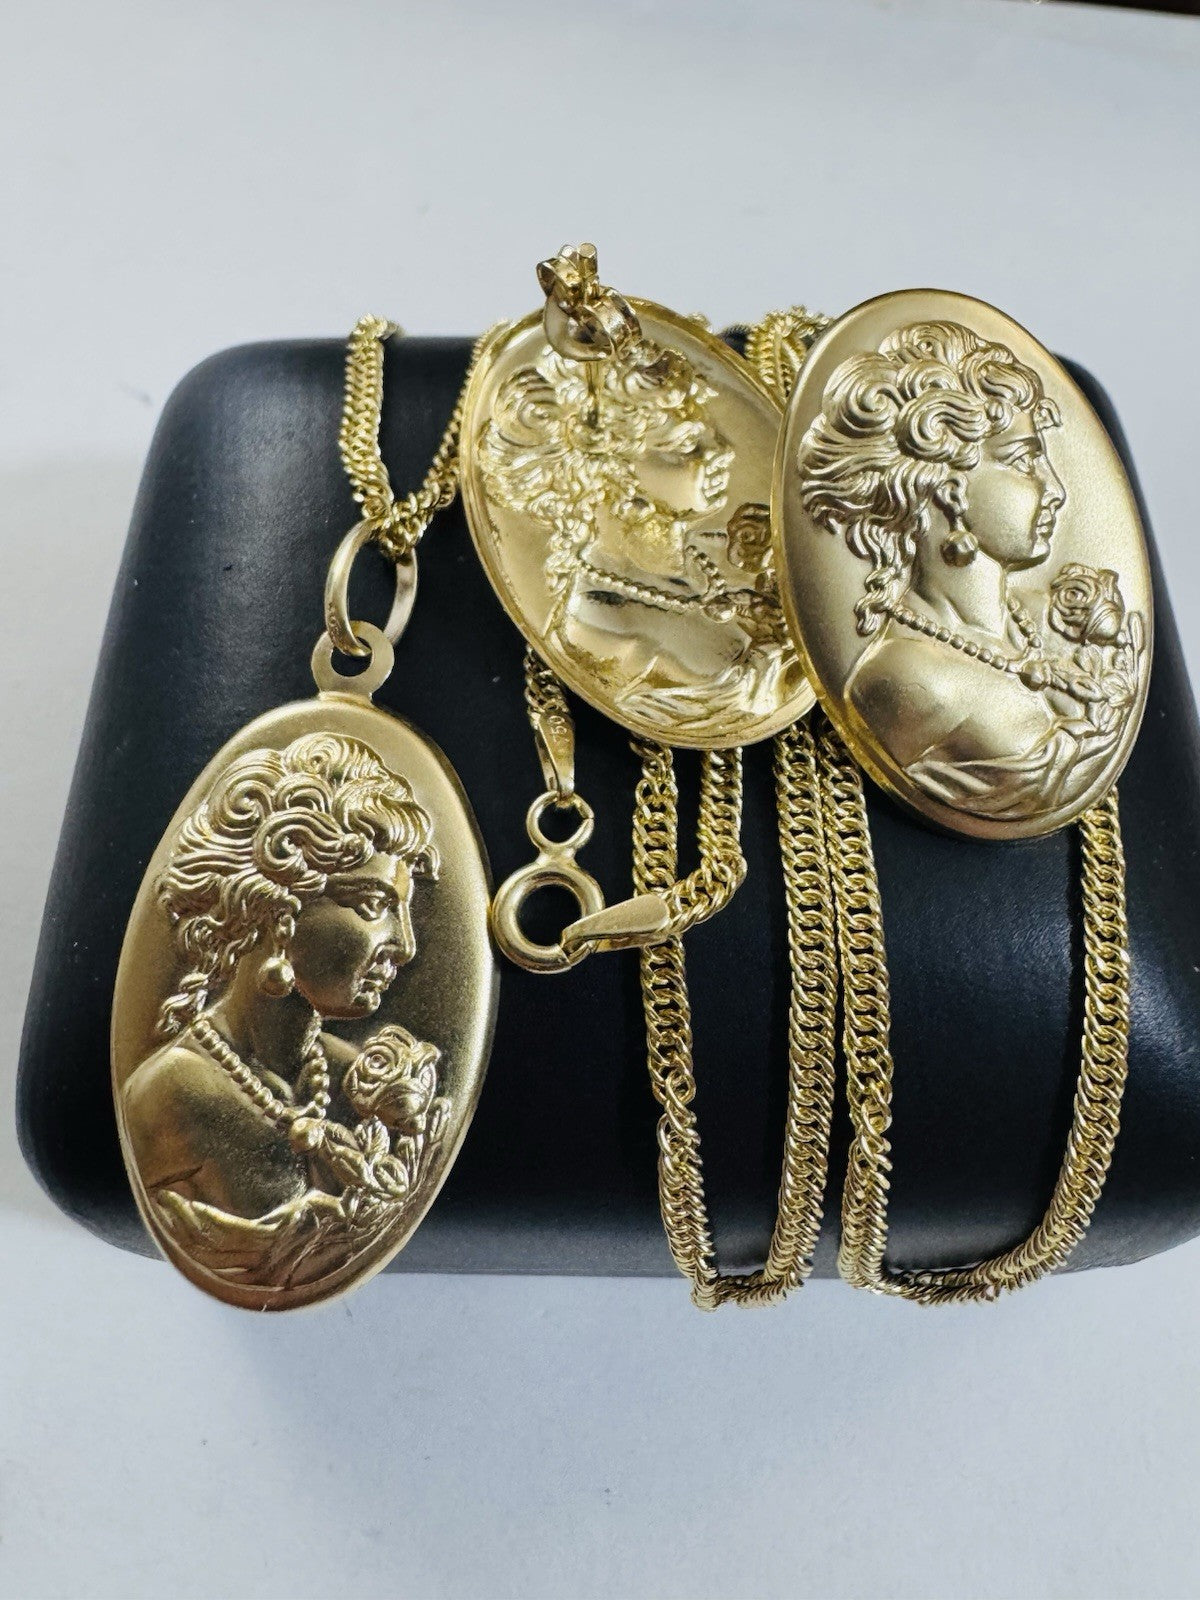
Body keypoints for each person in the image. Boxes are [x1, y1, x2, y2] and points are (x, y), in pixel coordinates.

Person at [121, 731, 448, 1293]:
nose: (405, 946)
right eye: (374, 905)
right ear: (278, 914)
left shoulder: (356, 1078)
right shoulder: (164, 1098)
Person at [797, 320, 1144, 821]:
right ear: (951, 490)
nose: (1055, 490)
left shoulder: (1037, 623)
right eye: (1023, 462)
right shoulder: (905, 680)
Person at [479, 339, 804, 737]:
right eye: (684, 445)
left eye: (710, 436)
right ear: (612, 473)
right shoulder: (603, 630)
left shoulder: (716, 553)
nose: (722, 451)